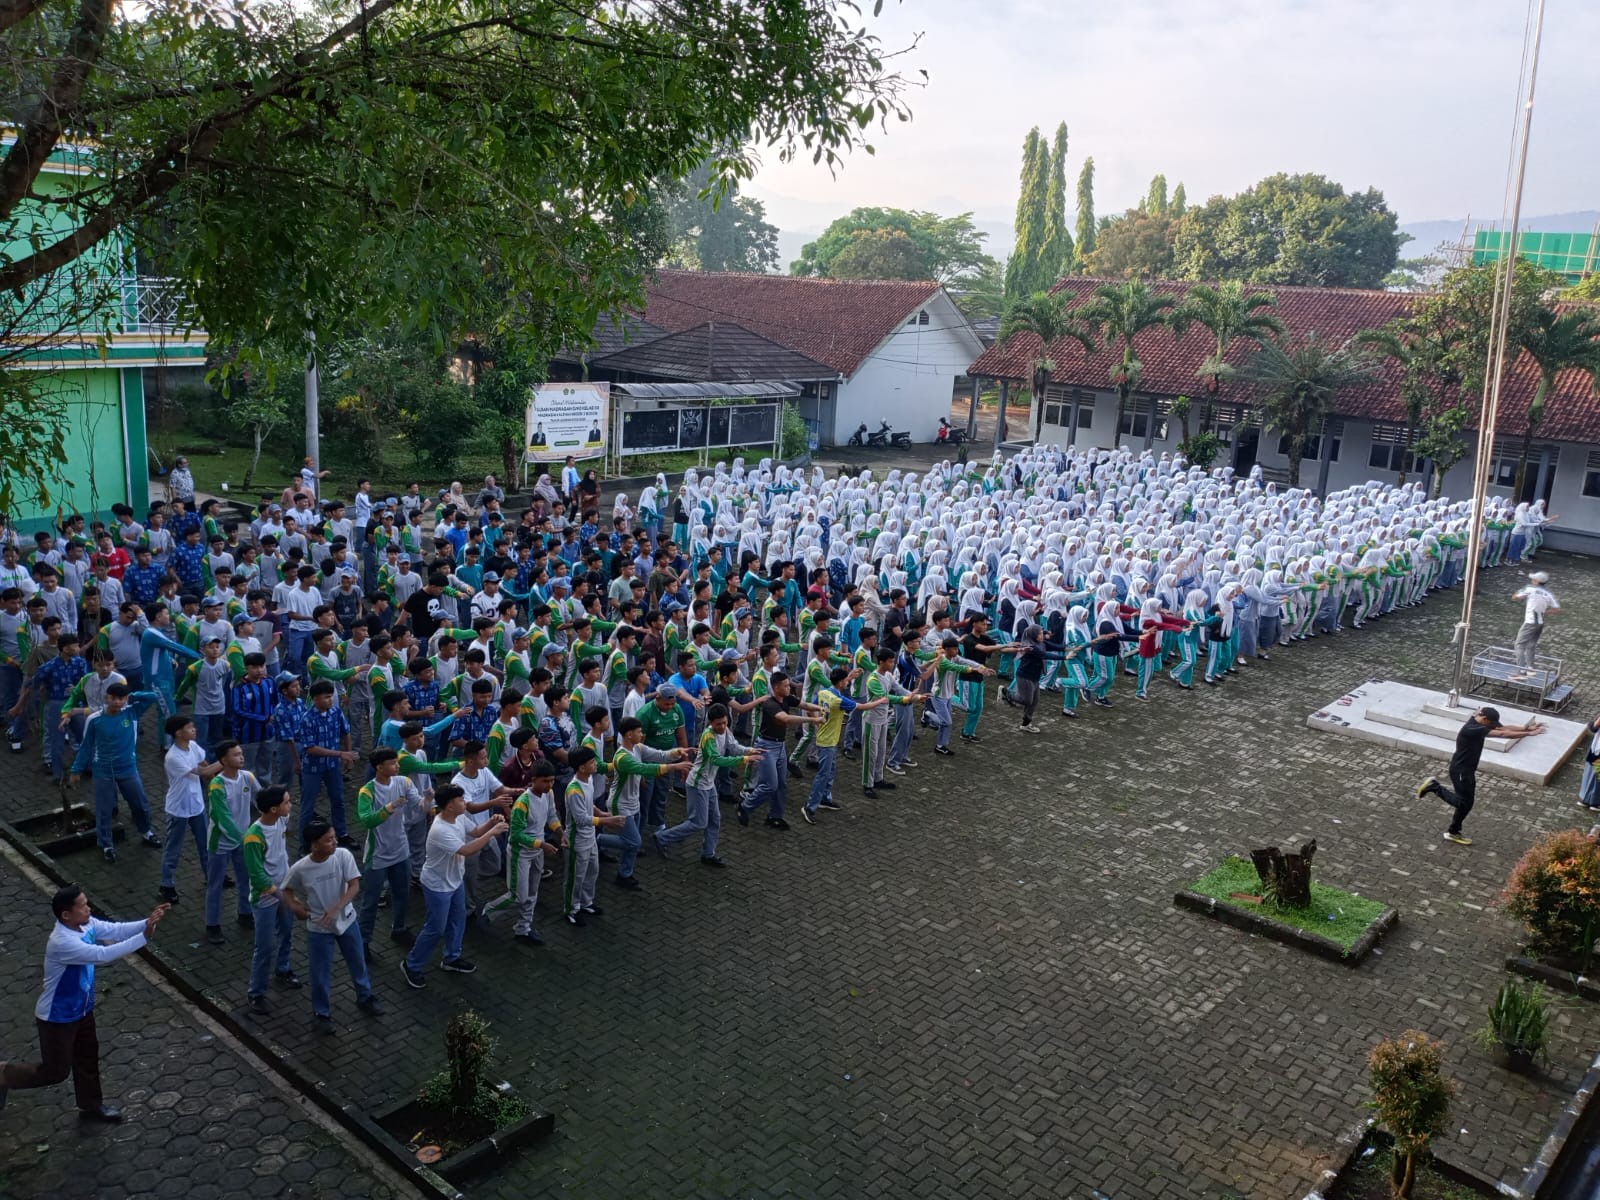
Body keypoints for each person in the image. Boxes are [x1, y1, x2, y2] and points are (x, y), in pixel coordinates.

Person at [0, 884, 170, 1121]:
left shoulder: (86, 923)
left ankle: (91, 1106)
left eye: (86, 903)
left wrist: (146, 922)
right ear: (66, 915)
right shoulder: (62, 942)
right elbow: (102, 955)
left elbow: (115, 930)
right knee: (55, 1071)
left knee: (87, 1058)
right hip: (57, 1017)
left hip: (82, 1010)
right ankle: (4, 1074)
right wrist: (144, 937)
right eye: (82, 906)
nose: (88, 909)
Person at [280, 819, 380, 1033]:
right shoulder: (301, 868)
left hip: (347, 920)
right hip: (318, 927)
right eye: (328, 840)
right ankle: (321, 1013)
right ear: (314, 845)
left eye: (334, 838)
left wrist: (337, 907)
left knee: (358, 962)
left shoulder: (342, 856)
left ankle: (365, 996)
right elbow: (286, 890)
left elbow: (354, 886)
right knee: (320, 972)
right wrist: (295, 906)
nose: (334, 842)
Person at [402, 784, 506, 988]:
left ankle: (451, 958)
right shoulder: (441, 829)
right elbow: (466, 850)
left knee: (458, 920)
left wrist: (490, 823)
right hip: (437, 885)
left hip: (455, 880)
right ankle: (411, 965)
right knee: (435, 928)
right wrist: (493, 832)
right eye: (460, 800)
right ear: (449, 806)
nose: (464, 802)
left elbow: (475, 832)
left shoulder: (458, 816)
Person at [1418, 706, 1546, 845]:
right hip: (1461, 770)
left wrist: (1526, 729)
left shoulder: (1479, 724)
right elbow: (1502, 734)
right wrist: (1528, 734)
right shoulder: (1471, 729)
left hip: (1467, 770)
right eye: (1491, 723)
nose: (1493, 726)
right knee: (1463, 803)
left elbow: (1502, 729)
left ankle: (1453, 832)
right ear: (1484, 719)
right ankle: (1434, 787)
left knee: (1467, 804)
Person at [70, 682, 163, 861]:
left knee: (140, 804)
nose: (117, 702)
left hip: (128, 768)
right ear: (107, 697)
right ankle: (106, 845)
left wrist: (131, 695)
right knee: (104, 810)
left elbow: (152, 697)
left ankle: (146, 832)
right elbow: (86, 746)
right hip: (103, 770)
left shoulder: (132, 712)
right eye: (113, 698)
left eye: (121, 698)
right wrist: (76, 769)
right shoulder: (95, 719)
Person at [242, 786, 300, 1012]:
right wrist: (283, 896)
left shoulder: (280, 821)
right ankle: (256, 992)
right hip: (265, 899)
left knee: (286, 934)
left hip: (282, 892)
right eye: (287, 802)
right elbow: (257, 876)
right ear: (274, 809)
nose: (291, 805)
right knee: (264, 947)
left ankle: (283, 968)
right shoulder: (253, 837)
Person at [159, 715, 220, 905]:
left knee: (206, 844)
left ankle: (212, 876)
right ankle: (166, 884)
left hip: (197, 805)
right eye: (190, 727)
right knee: (173, 849)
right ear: (179, 733)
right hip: (179, 809)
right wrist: (225, 761)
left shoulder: (192, 746)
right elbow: (202, 772)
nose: (194, 729)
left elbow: (203, 763)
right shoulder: (173, 757)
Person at [1510, 571, 1559, 680]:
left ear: (1536, 581)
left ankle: (1521, 672)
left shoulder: (1530, 589)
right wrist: (1543, 612)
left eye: (1533, 579)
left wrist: (1519, 593)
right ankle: (1531, 668)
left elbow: (1515, 597)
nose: (1532, 580)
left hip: (1530, 622)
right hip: (1540, 623)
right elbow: (1556, 609)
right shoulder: (1548, 594)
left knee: (1519, 645)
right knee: (1531, 645)